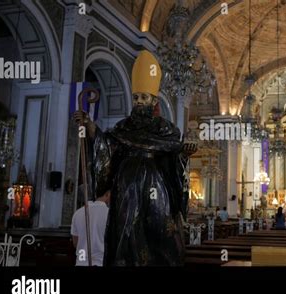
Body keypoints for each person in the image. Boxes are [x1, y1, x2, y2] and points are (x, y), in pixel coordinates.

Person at [74, 51, 196, 266]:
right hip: (126, 185)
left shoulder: (166, 129)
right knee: (126, 230)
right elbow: (108, 146)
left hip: (156, 186)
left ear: (153, 100)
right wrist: (92, 127)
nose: (139, 102)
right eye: (136, 97)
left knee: (160, 228)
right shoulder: (123, 127)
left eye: (144, 98)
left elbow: (174, 155)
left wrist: (184, 154)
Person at [71, 190, 110, 266]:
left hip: (81, 262)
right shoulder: (109, 214)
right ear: (107, 194)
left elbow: (75, 243)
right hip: (100, 263)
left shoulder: (78, 213)